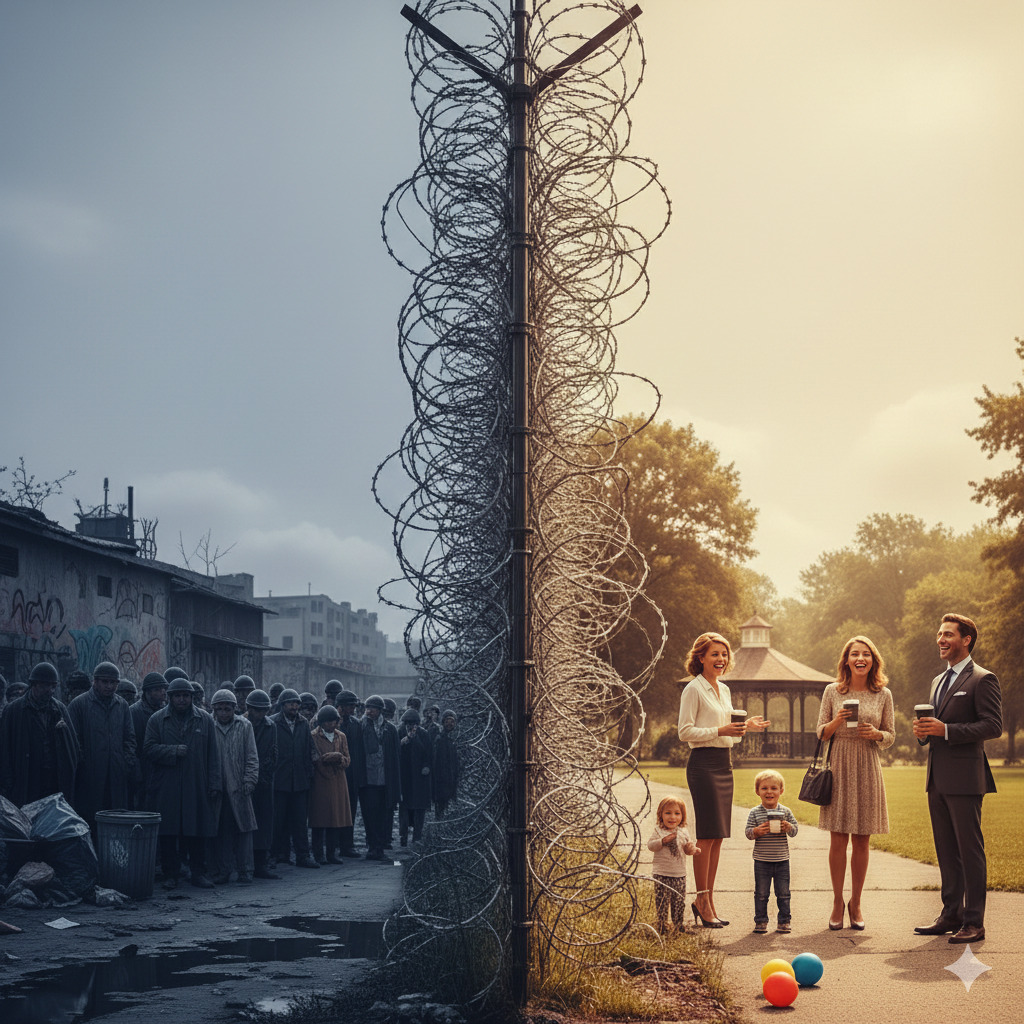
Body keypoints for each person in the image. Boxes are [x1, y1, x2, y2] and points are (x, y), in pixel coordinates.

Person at [913, 614, 1002, 943]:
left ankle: (974, 922)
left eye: (948, 634)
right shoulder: (937, 681)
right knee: (947, 851)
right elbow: (935, 727)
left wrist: (946, 730)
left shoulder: (983, 679)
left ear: (966, 640)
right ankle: (951, 914)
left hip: (965, 779)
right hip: (936, 778)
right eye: (939, 634)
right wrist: (924, 733)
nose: (941, 639)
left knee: (969, 851)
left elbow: (993, 725)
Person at [677, 631, 769, 927]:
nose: (721, 659)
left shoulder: (724, 690)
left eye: (724, 654)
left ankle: (708, 901)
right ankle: (702, 900)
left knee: (717, 837)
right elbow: (685, 732)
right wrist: (721, 730)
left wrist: (745, 726)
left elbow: (728, 730)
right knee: (706, 836)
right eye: (715, 654)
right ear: (701, 657)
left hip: (724, 764)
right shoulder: (693, 689)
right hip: (703, 765)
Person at [815, 636, 895, 930]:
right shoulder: (832, 691)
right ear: (846, 660)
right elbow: (821, 733)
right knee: (838, 838)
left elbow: (890, 735)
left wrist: (876, 734)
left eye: (866, 654)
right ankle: (837, 902)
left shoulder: (883, 694)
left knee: (862, 838)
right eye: (855, 654)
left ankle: (856, 902)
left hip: (868, 764)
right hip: (839, 764)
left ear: (873, 661)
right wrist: (838, 720)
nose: (860, 658)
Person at [144, 675, 221, 889]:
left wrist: (214, 784)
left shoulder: (205, 719)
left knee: (196, 831)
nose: (181, 699)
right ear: (169, 697)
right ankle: (171, 874)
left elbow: (213, 755)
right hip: (166, 786)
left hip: (196, 784)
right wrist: (172, 751)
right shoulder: (157, 719)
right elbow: (148, 749)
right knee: (168, 833)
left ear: (192, 697)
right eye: (177, 695)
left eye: (185, 695)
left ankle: (198, 873)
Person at [67, 660, 136, 835]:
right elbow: (73, 740)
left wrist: (125, 763)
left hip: (116, 775)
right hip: (89, 777)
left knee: (116, 820)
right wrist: (84, 764)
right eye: (105, 682)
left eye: (113, 682)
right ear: (95, 681)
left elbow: (129, 738)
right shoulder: (79, 704)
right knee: (89, 820)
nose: (109, 686)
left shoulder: (122, 706)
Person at [0, 662, 80, 807]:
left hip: (53, 780)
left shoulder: (59, 709)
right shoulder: (13, 711)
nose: (50, 690)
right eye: (44, 686)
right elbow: (4, 749)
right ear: (33, 685)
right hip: (26, 779)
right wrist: (8, 782)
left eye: (53, 686)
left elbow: (71, 746)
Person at [209, 689, 260, 884]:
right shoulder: (209, 725)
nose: (223, 713)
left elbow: (252, 756)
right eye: (219, 709)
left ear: (234, 708)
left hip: (239, 786)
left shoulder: (244, 725)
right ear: (214, 709)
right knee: (221, 830)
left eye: (227, 709)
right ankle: (223, 870)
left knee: (244, 829)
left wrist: (250, 780)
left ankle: (246, 870)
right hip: (218, 787)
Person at [744, 770, 799, 934]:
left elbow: (795, 831)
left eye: (774, 788)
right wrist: (756, 831)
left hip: (782, 860)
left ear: (781, 791)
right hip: (762, 861)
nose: (769, 792)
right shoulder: (755, 812)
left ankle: (784, 921)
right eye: (764, 788)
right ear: (757, 791)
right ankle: (761, 921)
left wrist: (788, 827)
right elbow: (748, 833)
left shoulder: (785, 812)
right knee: (761, 894)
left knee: (784, 893)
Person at [269, 688, 319, 869]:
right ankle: (275, 855)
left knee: (299, 821)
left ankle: (303, 856)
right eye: (290, 703)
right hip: (279, 779)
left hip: (299, 780)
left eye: (296, 703)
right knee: (277, 821)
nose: (294, 706)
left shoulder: (304, 723)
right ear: (282, 705)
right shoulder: (272, 723)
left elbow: (309, 748)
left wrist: (309, 773)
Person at [354, 694, 400, 861]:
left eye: (372, 708)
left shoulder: (390, 729)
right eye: (367, 708)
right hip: (368, 779)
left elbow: (396, 757)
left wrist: (396, 784)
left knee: (383, 815)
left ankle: (379, 847)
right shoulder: (360, 727)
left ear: (380, 710)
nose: (369, 711)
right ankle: (372, 847)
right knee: (369, 814)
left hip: (385, 779)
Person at [646, 796, 699, 936]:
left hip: (679, 874)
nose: (672, 817)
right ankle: (662, 925)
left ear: (682, 816)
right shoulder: (658, 831)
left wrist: (692, 849)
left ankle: (678, 925)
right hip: (661, 874)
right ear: (661, 815)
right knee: (662, 901)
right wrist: (662, 841)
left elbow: (688, 848)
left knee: (679, 901)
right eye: (668, 813)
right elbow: (651, 846)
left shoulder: (683, 831)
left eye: (677, 813)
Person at [309, 705, 352, 864]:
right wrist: (324, 762)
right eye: (328, 722)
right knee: (319, 819)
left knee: (336, 818)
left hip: (338, 781)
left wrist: (339, 758)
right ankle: (318, 854)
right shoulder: (313, 736)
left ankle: (332, 853)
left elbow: (347, 759)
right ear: (321, 723)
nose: (331, 725)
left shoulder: (341, 736)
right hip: (320, 781)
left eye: (334, 721)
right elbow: (313, 758)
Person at [244, 688, 279, 879]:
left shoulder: (270, 726)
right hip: (244, 780)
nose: (261, 714)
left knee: (264, 823)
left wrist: (265, 774)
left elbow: (273, 752)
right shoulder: (240, 723)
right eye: (257, 710)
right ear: (249, 708)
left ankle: (261, 863)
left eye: (265, 710)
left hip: (264, 781)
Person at [131, 671, 168, 809]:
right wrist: (136, 770)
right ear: (147, 692)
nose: (163, 692)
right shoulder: (134, 712)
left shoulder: (166, 711)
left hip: (161, 768)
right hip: (142, 768)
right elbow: (131, 743)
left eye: (164, 689)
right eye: (157, 689)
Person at [336, 690, 364, 857]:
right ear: (342, 707)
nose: (353, 709)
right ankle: (333, 844)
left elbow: (359, 751)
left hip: (352, 774)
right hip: (335, 773)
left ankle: (347, 844)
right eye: (351, 706)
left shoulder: (356, 724)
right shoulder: (331, 722)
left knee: (350, 809)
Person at [398, 709, 431, 847]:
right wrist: (403, 742)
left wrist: (426, 766)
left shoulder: (424, 734)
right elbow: (395, 752)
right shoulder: (400, 732)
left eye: (413, 723)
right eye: (408, 723)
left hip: (419, 777)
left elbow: (428, 753)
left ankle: (417, 836)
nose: (410, 726)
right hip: (405, 776)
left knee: (419, 808)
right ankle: (403, 835)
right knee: (404, 808)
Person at [432, 710, 460, 818]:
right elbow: (439, 763)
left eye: (452, 722)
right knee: (441, 807)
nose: (449, 724)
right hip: (442, 781)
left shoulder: (452, 739)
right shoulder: (440, 739)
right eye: (447, 721)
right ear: (443, 722)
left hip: (450, 779)